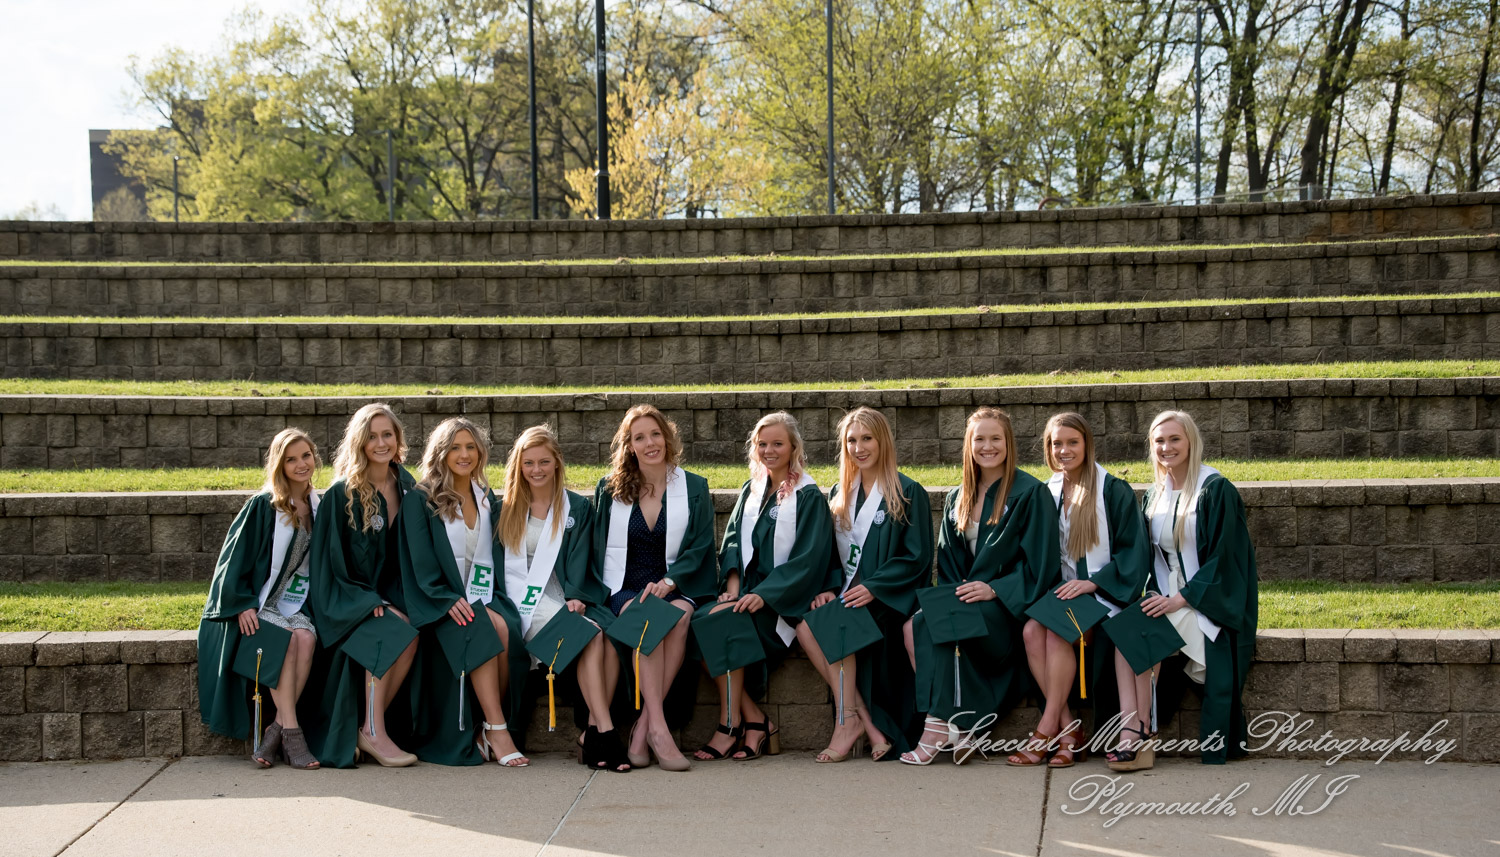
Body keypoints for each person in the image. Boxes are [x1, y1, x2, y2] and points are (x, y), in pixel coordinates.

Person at [900, 408, 1059, 765]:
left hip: (1008, 611)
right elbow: (949, 562)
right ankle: (961, 728)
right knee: (915, 626)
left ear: (1009, 442)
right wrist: (958, 594)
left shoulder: (1029, 493)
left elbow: (1042, 564)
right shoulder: (959, 496)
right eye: (979, 439)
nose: (988, 446)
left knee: (935, 624)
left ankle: (936, 726)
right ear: (968, 445)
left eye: (995, 438)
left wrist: (995, 589)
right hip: (969, 605)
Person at [1008, 412, 1149, 768]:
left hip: (1104, 596)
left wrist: (1094, 582)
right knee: (1030, 631)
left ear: (1087, 444)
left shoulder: (1112, 490)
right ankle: (1070, 728)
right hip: (1065, 594)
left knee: (1058, 632)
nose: (1064, 450)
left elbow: (1133, 553)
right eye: (1057, 444)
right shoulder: (1047, 491)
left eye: (1073, 442)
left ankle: (1046, 730)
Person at [694, 412, 835, 762]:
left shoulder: (808, 496)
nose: (769, 450)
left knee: (720, 625)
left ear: (793, 447)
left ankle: (730, 725)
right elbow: (731, 541)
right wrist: (733, 584)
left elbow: (809, 560)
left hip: (781, 606)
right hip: (745, 595)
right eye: (762, 444)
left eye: (777, 444)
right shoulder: (752, 489)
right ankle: (755, 720)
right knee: (696, 624)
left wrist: (764, 594)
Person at [798, 406, 932, 763]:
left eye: (867, 438)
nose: (859, 448)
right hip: (849, 597)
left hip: (888, 600)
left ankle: (848, 722)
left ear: (883, 441)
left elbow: (916, 557)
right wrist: (829, 586)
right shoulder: (840, 493)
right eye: (851, 440)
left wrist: (875, 587)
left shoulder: (907, 491)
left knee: (823, 626)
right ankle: (865, 723)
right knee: (806, 626)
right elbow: (829, 553)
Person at [495, 425, 630, 773]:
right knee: (591, 635)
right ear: (518, 466)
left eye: (544, 461)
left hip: (559, 592)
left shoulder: (576, 507)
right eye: (528, 463)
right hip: (520, 598)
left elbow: (582, 558)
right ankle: (605, 732)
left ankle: (594, 733)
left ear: (557, 462)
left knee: (607, 635)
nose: (536, 470)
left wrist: (576, 595)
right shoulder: (504, 508)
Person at [397, 417, 530, 767]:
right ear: (441, 452)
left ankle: (488, 725)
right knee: (483, 626)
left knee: (507, 630)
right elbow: (420, 563)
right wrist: (445, 599)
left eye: (471, 446)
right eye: (455, 447)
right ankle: (496, 729)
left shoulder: (484, 496)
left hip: (483, 593)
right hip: (441, 601)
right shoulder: (421, 499)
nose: (464, 454)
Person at [592, 404, 717, 772]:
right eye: (640, 437)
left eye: (655, 434)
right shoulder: (611, 488)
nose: (650, 444)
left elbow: (699, 546)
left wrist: (669, 581)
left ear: (667, 436)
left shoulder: (693, 486)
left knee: (679, 617)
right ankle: (659, 730)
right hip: (625, 585)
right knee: (650, 621)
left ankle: (645, 727)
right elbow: (597, 545)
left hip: (676, 583)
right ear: (629, 446)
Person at [1134, 410, 1258, 767]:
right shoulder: (1154, 495)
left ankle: (1141, 735)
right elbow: (1149, 557)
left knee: (1142, 637)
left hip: (1208, 600)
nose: (1166, 447)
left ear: (1191, 442)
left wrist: (1182, 599)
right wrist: (1157, 595)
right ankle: (1138, 731)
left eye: (1175, 439)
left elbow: (1224, 559)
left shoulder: (1214, 489)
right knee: (1131, 631)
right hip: (1168, 594)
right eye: (1159, 441)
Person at [197, 427, 325, 769]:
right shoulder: (263, 506)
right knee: (287, 640)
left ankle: (275, 729)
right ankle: (293, 734)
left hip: (291, 600)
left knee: (306, 638)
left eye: (306, 456)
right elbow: (233, 558)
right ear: (280, 465)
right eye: (291, 459)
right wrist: (242, 604)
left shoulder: (318, 507)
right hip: (260, 601)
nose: (301, 464)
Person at [309, 402, 421, 768]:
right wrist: (368, 601)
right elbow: (329, 567)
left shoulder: (408, 487)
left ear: (398, 439)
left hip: (394, 595)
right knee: (394, 631)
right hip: (349, 601)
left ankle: (367, 727)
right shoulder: (341, 495)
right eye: (372, 436)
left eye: (388, 434)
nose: (381, 443)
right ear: (359, 442)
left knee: (414, 626)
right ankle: (373, 730)